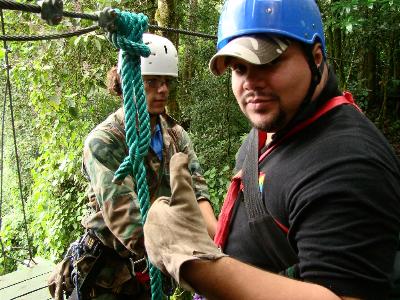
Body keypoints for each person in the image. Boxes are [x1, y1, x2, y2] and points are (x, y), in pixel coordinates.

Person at [143, 1, 400, 300]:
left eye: (268, 63)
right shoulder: (274, 130)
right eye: (240, 67)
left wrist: (199, 267)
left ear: (316, 58)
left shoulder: (349, 164)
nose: (251, 83)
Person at [48, 33, 217, 300]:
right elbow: (129, 225)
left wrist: (218, 242)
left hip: (156, 272)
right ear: (128, 83)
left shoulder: (174, 135)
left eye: (165, 82)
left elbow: (197, 191)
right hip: (109, 278)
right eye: (151, 82)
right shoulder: (104, 142)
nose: (162, 90)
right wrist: (199, 264)